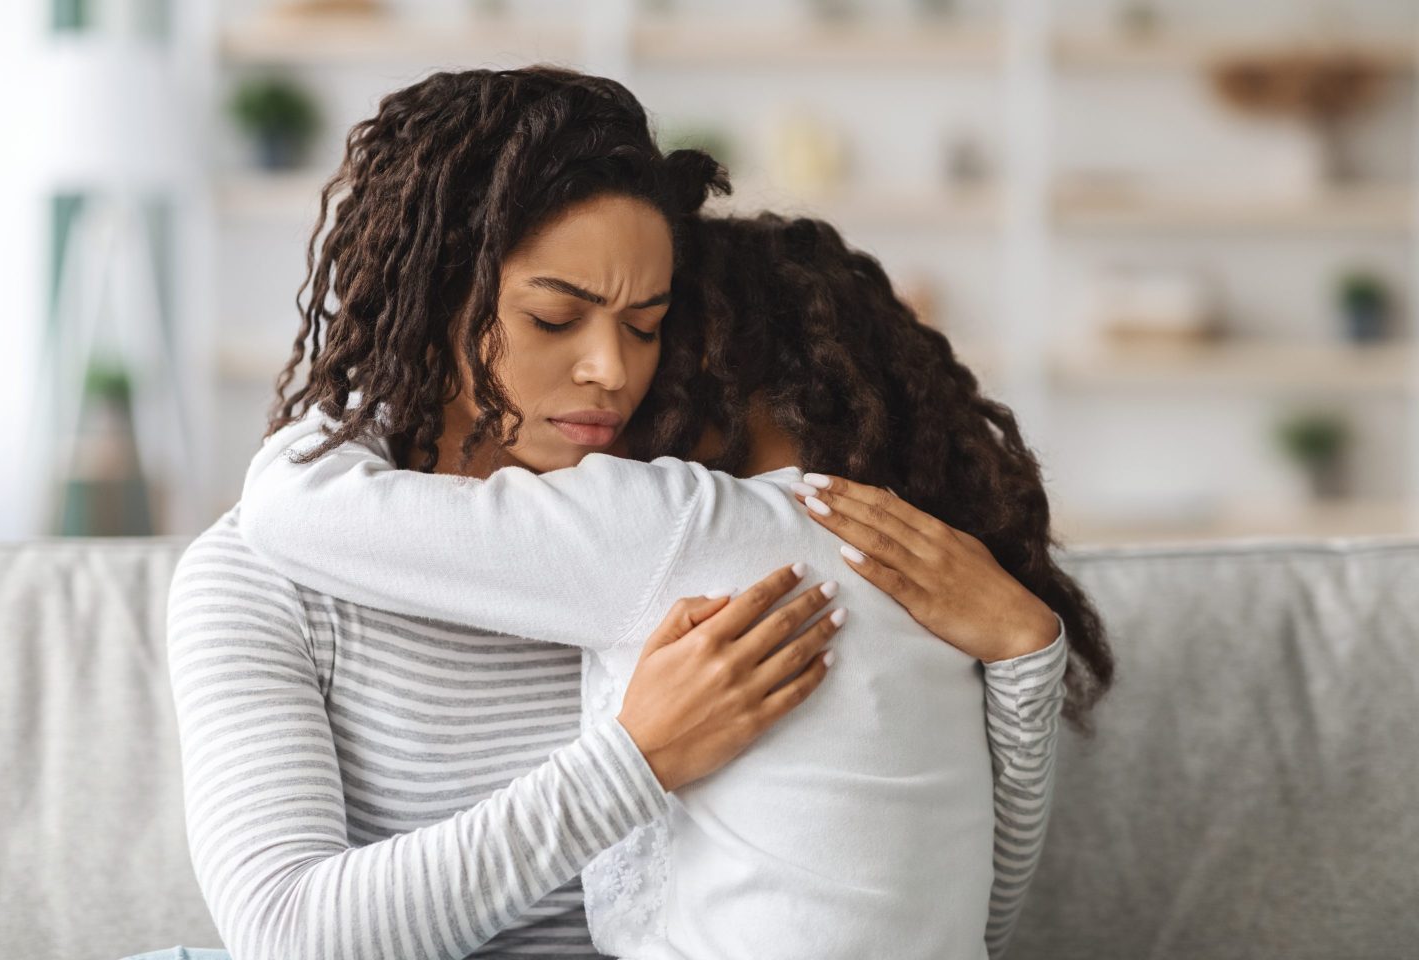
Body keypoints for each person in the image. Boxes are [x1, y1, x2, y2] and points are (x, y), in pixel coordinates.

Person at [234, 210, 1114, 958]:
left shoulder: (674, 521)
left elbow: (287, 504)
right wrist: (1026, 650)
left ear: (702, 366)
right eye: (562, 321)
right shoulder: (927, 572)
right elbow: (982, 920)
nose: (612, 376)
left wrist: (377, 360)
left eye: (647, 332)